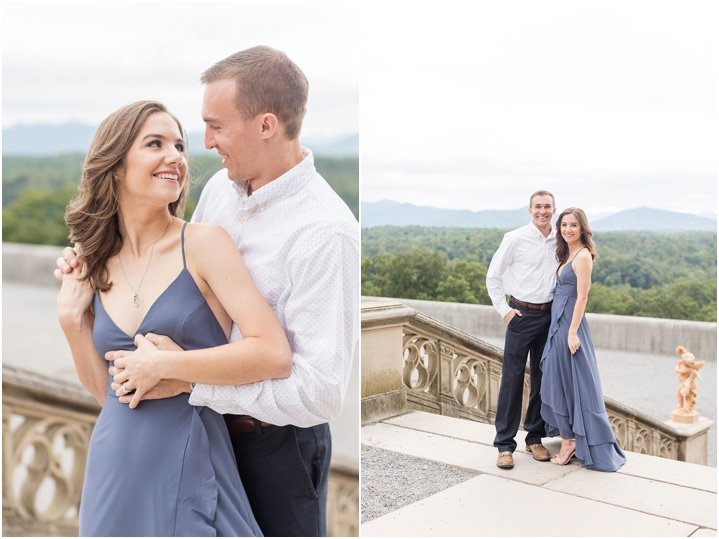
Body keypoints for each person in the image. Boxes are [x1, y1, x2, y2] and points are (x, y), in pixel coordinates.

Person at [57, 46, 359, 537]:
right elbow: (181, 292)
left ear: (265, 125)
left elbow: (320, 392)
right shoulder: (222, 189)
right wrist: (78, 308)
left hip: (275, 444)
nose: (202, 143)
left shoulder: (326, 232)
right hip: (171, 439)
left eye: (215, 126)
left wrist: (189, 381)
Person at [57, 100, 293, 535]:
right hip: (113, 468)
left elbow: (274, 353)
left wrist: (166, 365)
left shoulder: (204, 244)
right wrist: (73, 322)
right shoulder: (97, 262)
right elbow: (109, 395)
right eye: (155, 143)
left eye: (179, 146)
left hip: (190, 459)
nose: (176, 157)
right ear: (115, 166)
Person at [539, 207, 626, 471]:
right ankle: (569, 436)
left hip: (569, 324)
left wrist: (572, 332)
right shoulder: (567, 253)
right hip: (558, 321)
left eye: (573, 225)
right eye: (564, 225)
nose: (567, 230)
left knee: (566, 379)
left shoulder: (583, 256)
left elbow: (583, 297)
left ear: (582, 229)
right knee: (556, 379)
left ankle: (570, 441)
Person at [486, 190, 557, 469]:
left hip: (549, 316)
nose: (543, 211)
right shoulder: (515, 238)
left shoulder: (559, 239)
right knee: (512, 380)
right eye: (538, 206)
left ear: (554, 209)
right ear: (530, 210)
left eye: (547, 206)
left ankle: (535, 438)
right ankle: (504, 445)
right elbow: (493, 277)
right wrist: (505, 311)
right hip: (521, 314)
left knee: (542, 378)